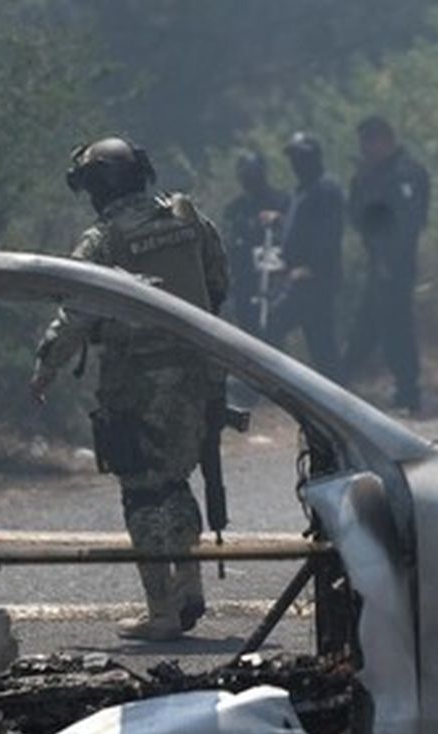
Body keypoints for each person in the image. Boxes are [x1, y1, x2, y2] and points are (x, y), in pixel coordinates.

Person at [29, 136, 229, 641]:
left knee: (141, 490)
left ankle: (161, 610)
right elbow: (218, 280)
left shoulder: (102, 240)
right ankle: (189, 587)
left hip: (135, 381)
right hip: (198, 369)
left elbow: (76, 312)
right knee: (177, 478)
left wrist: (46, 365)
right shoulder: (188, 218)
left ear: (98, 187)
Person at [346, 115, 430, 412]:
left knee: (396, 327)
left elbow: (408, 223)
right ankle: (341, 383)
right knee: (368, 326)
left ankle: (409, 392)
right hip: (376, 261)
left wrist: (389, 261)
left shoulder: (406, 173)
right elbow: (358, 214)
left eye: (370, 142)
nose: (366, 149)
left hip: (397, 264)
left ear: (384, 140)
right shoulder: (369, 174)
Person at [267, 131, 343, 377]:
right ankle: (336, 400)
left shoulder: (326, 188)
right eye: (293, 158)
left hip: (314, 278)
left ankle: (275, 382)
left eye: (300, 157)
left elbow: (329, 233)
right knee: (321, 343)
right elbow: (299, 226)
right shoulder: (302, 189)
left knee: (274, 324)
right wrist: (279, 220)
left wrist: (312, 267)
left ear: (313, 158)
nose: (295, 163)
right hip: (299, 276)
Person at [221, 150, 288, 339]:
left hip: (273, 277)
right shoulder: (235, 208)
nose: (249, 178)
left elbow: (295, 231)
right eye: (245, 174)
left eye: (253, 173)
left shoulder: (280, 200)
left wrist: (279, 219)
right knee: (247, 330)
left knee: (272, 329)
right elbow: (228, 240)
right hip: (243, 277)